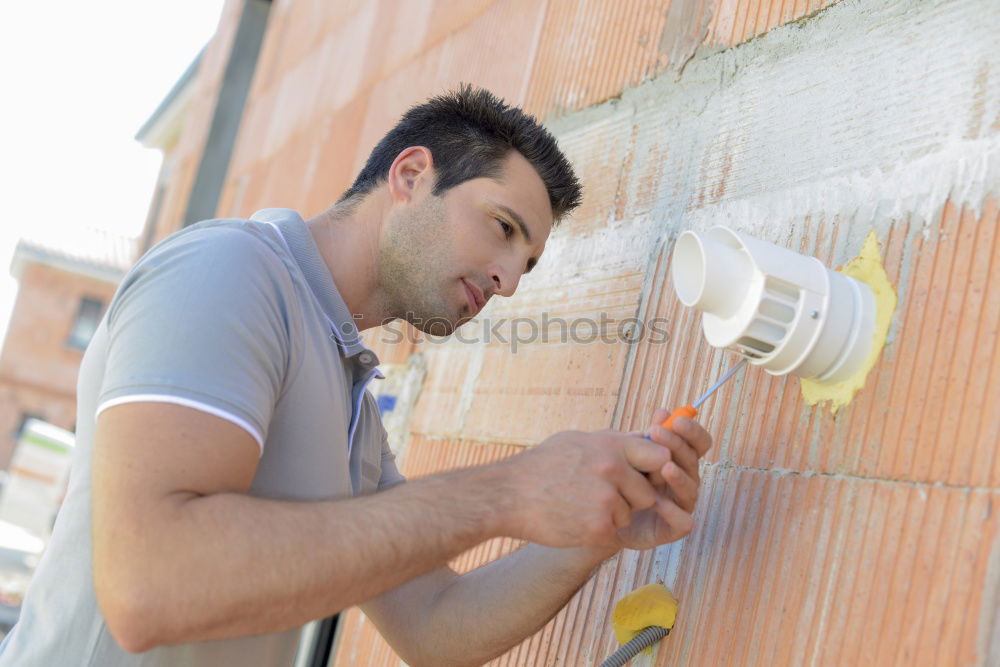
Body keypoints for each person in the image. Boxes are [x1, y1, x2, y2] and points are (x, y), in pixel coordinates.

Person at [0, 85, 712, 666]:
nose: (508, 281)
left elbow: (436, 624)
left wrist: (602, 522)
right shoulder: (229, 272)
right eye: (502, 228)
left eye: (526, 264)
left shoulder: (351, 406)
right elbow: (148, 583)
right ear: (409, 176)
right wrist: (511, 490)